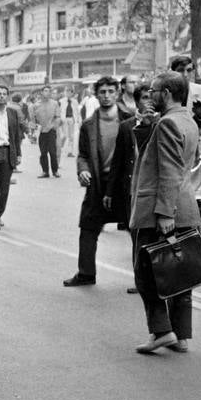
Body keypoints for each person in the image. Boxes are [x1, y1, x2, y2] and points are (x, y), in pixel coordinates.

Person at [130, 72, 200, 354]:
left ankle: (161, 331)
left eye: (154, 90)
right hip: (184, 207)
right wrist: (147, 127)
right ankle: (180, 336)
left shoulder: (168, 123)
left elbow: (169, 171)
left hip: (162, 209)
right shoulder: (186, 119)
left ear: (168, 92)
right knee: (179, 274)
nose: (150, 95)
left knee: (147, 273)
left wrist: (164, 214)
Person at [63, 77, 134, 287]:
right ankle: (86, 273)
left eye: (111, 91)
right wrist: (83, 171)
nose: (106, 96)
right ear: (96, 94)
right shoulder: (88, 125)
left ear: (117, 93)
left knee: (138, 232)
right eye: (102, 92)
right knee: (87, 227)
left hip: (124, 185)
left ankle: (144, 278)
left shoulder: (129, 121)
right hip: (98, 185)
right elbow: (83, 155)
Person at [0, 84, 23, 229]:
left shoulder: (12, 113)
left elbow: (16, 135)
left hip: (8, 152)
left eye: (4, 94)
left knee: (5, 189)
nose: (1, 96)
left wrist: (18, 153)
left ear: (7, 96)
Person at [33, 87, 62, 177]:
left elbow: (58, 117)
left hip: (51, 130)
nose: (48, 93)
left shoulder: (54, 103)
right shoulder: (36, 105)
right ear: (41, 92)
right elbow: (33, 119)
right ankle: (45, 171)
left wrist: (54, 126)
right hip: (41, 131)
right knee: (43, 152)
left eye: (50, 91)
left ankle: (55, 171)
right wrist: (33, 130)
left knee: (53, 152)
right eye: (46, 91)